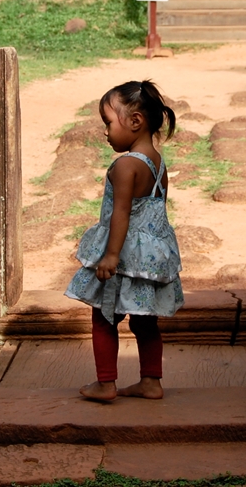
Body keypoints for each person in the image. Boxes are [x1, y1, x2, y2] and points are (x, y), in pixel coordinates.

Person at [65, 80, 183, 401]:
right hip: (150, 258)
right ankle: (151, 381)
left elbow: (121, 214)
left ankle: (105, 383)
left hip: (124, 258)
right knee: (146, 322)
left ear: (135, 122)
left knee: (104, 318)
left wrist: (111, 255)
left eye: (108, 122)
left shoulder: (124, 166)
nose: (105, 132)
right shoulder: (158, 164)